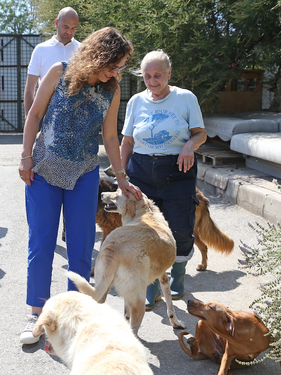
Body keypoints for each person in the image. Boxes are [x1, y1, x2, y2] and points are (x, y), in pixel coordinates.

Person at [18, 27, 143, 345]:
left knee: (81, 249)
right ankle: (38, 317)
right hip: (43, 172)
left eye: (121, 67)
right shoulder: (58, 72)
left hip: (84, 176)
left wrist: (122, 177)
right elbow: (34, 115)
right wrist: (25, 158)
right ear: (99, 56)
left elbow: (111, 136)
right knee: (41, 245)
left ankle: (73, 320)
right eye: (114, 65)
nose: (117, 72)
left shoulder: (111, 90)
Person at [120, 50, 207, 310]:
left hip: (177, 169)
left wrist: (190, 144)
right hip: (141, 171)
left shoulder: (185, 98)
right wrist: (121, 177)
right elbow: (127, 141)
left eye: (158, 75)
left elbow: (201, 133)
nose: (153, 81)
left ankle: (177, 276)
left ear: (169, 73)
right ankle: (151, 285)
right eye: (147, 76)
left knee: (179, 226)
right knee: (145, 231)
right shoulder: (135, 101)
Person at [23, 7, 80, 118]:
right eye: (65, 26)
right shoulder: (41, 49)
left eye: (74, 28)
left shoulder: (83, 50)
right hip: (44, 114)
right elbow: (30, 87)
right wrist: (29, 119)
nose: (69, 32)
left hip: (75, 116)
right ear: (56, 23)